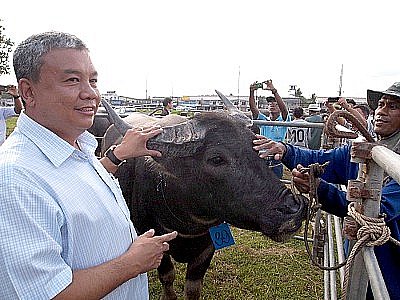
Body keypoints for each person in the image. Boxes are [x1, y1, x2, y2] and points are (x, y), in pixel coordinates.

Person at [0, 31, 177, 299]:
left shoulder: (76, 146)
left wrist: (118, 155)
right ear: (28, 91)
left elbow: (74, 189)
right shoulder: (15, 177)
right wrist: (132, 263)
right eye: (72, 80)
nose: (90, 93)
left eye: (93, 80)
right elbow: (48, 294)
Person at [253, 82, 400, 300]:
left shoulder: (393, 164)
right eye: (381, 104)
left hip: (391, 264)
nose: (381, 111)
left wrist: (320, 190)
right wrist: (285, 150)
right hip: (365, 253)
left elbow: (378, 212)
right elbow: (322, 159)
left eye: (393, 106)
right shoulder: (369, 148)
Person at [249, 79, 291, 178]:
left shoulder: (283, 119)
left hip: (275, 158)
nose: (272, 105)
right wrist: (251, 92)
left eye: (275, 103)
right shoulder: (264, 121)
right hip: (262, 157)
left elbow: (284, 110)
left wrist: (274, 91)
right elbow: (253, 109)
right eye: (270, 103)